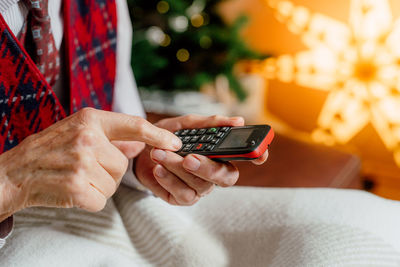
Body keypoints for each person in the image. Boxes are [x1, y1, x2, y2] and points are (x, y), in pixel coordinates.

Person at [1, 1, 400, 266]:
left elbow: (116, 123)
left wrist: (146, 161)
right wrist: (12, 180)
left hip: (113, 215)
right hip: (21, 242)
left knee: (366, 227)